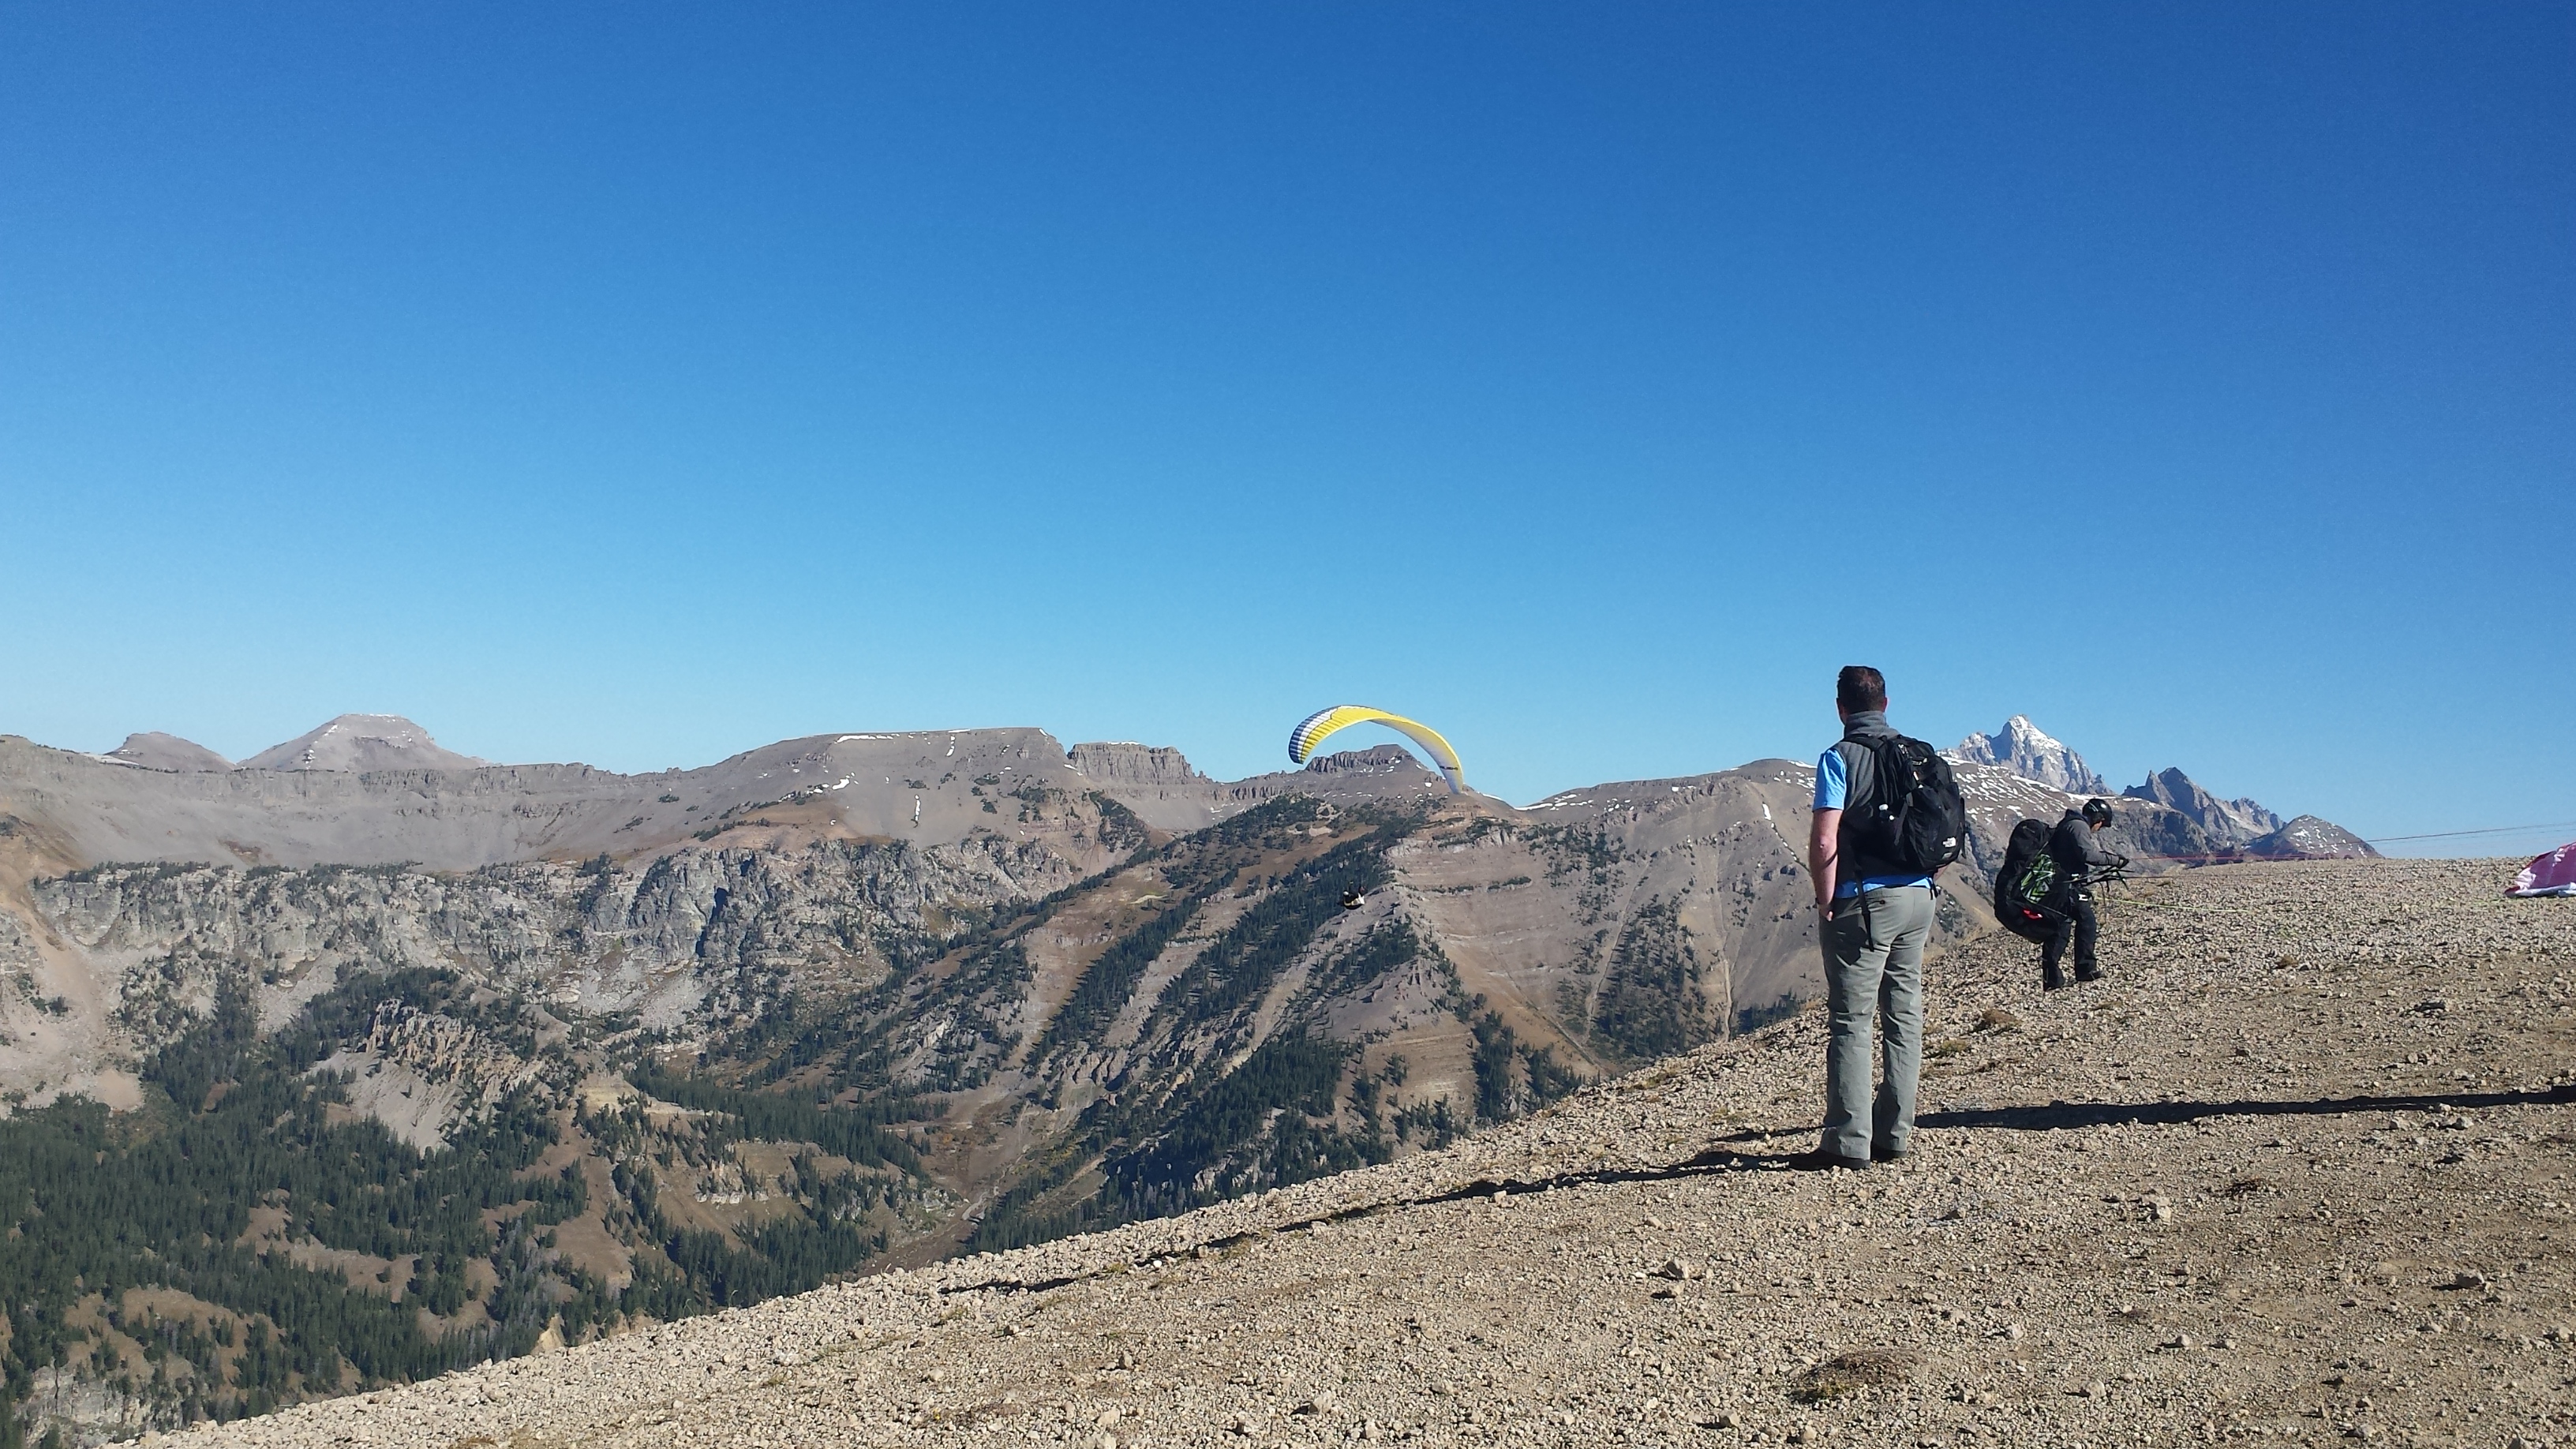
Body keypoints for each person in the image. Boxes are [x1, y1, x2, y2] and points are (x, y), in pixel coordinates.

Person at [1802, 665, 1936, 1170]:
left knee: (1852, 1021)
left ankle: (1846, 1143)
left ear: (1840, 708)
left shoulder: (1839, 758)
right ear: (1885, 702)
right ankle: (1894, 1136)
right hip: (1919, 898)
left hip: (1865, 903)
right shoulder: (1920, 754)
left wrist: (1825, 898)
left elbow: (1823, 839)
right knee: (1904, 1015)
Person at [2041, 798, 2125, 990]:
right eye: (2101, 824)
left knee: (2061, 928)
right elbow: (2089, 855)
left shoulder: (2069, 824)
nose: (2099, 829)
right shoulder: (2079, 826)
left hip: (2059, 885)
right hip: (2069, 887)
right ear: (2098, 818)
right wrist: (2115, 861)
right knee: (2087, 921)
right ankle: (2085, 970)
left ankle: (2052, 979)